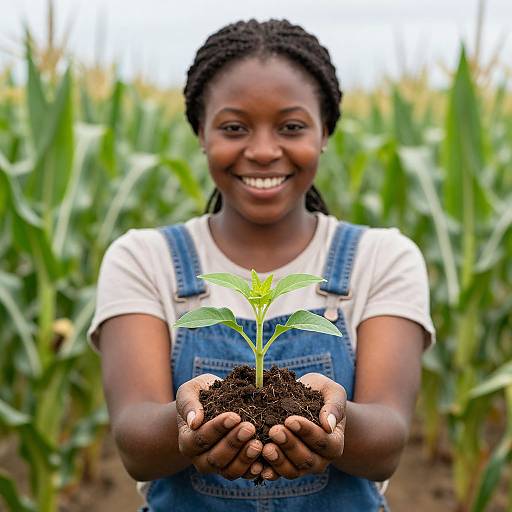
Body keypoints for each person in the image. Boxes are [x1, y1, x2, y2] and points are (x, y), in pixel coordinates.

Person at [88, 19, 435, 512]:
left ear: (326, 132)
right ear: (200, 133)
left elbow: (389, 440)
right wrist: (186, 424)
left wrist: (335, 421)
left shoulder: (382, 258)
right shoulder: (144, 259)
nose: (264, 150)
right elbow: (134, 441)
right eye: (234, 128)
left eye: (291, 127)